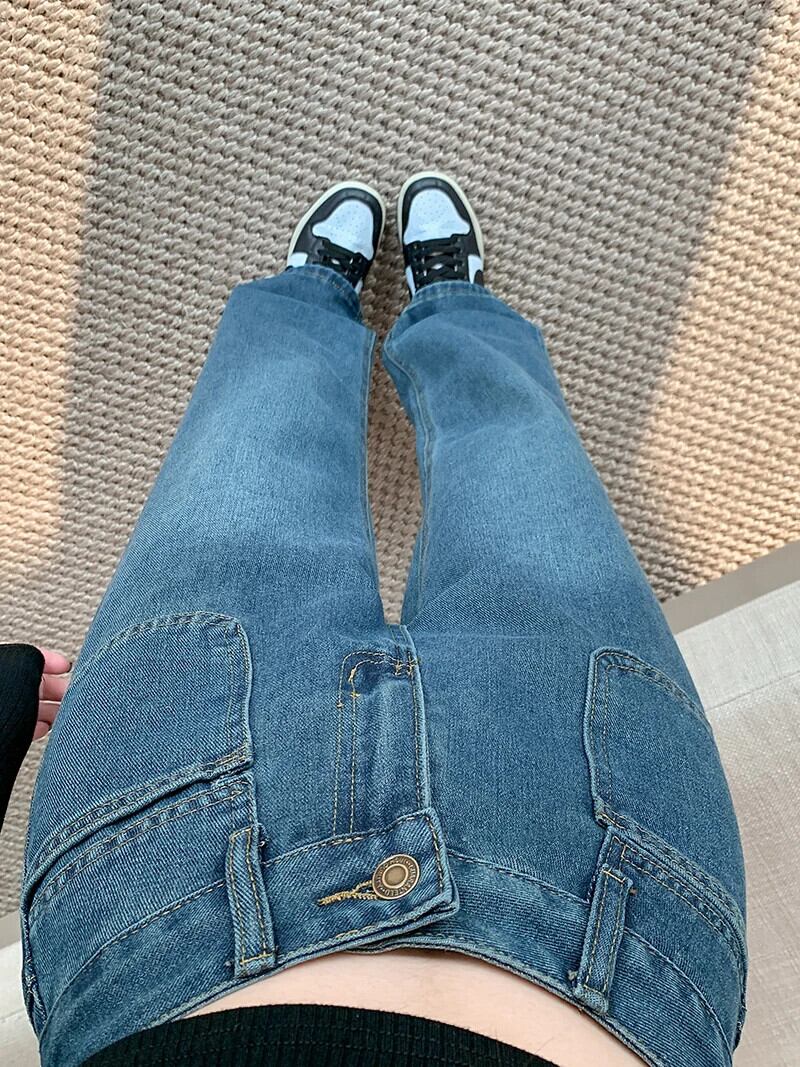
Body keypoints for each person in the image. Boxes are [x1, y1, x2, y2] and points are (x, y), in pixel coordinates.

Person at [6, 172, 747, 1067]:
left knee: (255, 442)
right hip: (619, 931)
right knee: (520, 459)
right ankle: (455, 307)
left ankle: (309, 295)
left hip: (157, 903)